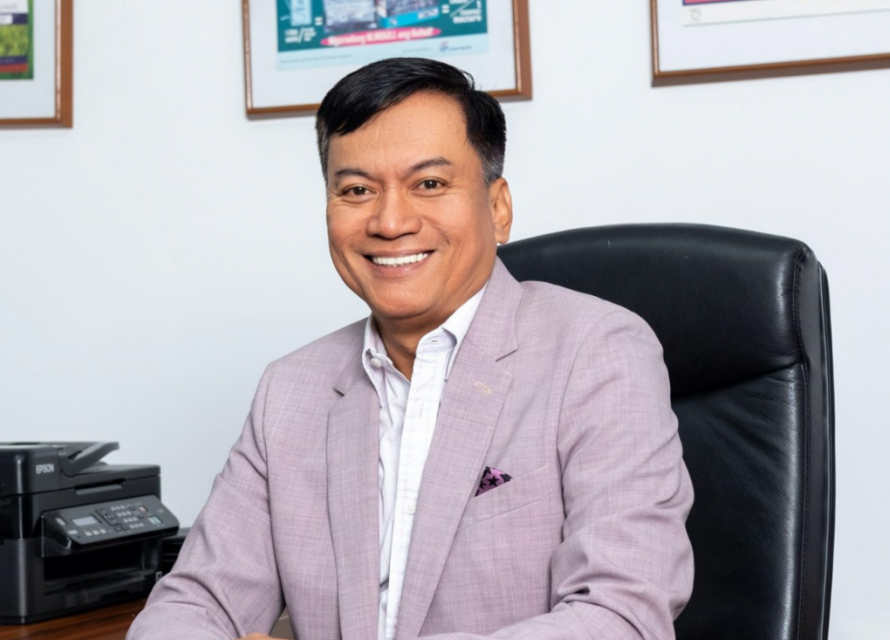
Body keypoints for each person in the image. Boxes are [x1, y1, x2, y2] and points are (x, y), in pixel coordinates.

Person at [127, 57, 694, 640]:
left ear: (498, 208)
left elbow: (620, 616)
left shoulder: (597, 353)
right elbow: (194, 602)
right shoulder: (290, 389)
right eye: (357, 190)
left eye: (429, 184)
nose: (391, 221)